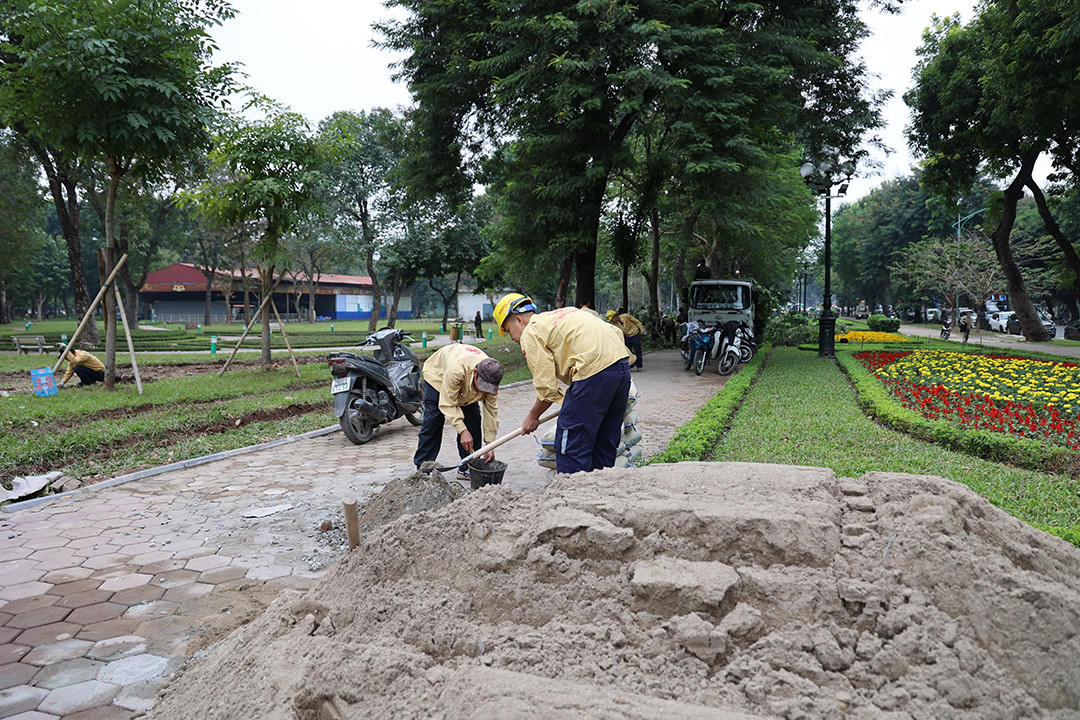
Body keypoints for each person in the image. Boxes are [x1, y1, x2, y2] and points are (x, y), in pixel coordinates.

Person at [494, 293, 631, 475]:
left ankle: (571, 495)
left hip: (592, 372)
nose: (511, 338)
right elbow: (615, 332)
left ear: (518, 320)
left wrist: (532, 417)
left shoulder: (531, 332)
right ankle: (600, 494)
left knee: (572, 442)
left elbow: (547, 390)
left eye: (508, 330)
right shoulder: (564, 314)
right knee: (604, 441)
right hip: (621, 365)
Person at [413, 343, 503, 481]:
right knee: (433, 422)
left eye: (488, 388)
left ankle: (468, 466)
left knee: (473, 421)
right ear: (475, 373)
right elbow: (447, 404)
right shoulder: (457, 369)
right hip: (439, 376)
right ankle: (423, 467)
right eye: (483, 386)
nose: (484, 391)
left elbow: (491, 411)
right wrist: (462, 431)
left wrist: (490, 445)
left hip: (465, 386)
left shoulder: (492, 377)